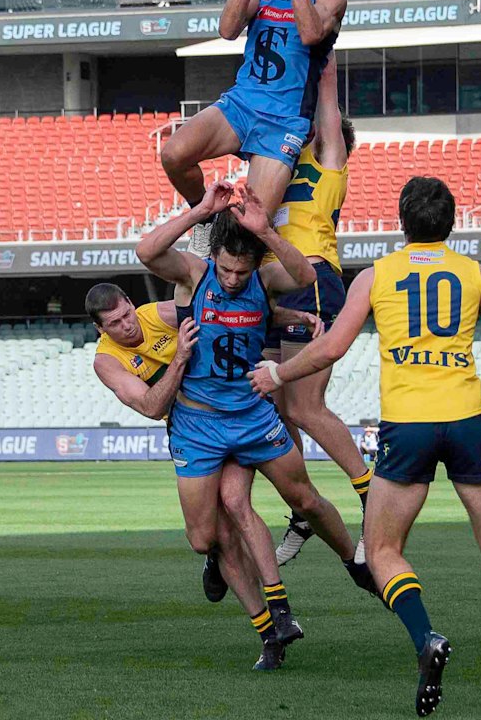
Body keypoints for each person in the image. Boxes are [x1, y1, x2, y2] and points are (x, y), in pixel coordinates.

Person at [250, 176, 481, 716]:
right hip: (468, 419)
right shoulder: (474, 273)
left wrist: (280, 373)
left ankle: (427, 640)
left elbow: (330, 348)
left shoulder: (376, 277)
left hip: (408, 426)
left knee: (385, 551)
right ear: (451, 222)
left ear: (401, 221)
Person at [135, 181, 378, 659]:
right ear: (216, 259)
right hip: (199, 424)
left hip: (250, 415)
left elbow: (306, 274)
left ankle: (355, 563)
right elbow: (147, 250)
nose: (231, 279)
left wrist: (265, 231)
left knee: (303, 497)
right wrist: (202, 209)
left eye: (240, 271)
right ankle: (222, 565)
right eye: (226, 268)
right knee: (205, 535)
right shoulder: (194, 273)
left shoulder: (262, 281)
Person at [88, 282, 323, 672]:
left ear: (132, 303)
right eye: (114, 323)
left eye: (127, 313)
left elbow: (237, 311)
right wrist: (179, 358)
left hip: (229, 415)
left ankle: (276, 624)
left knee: (236, 504)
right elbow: (150, 406)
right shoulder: (106, 361)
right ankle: (221, 566)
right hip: (187, 431)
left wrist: (297, 316)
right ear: (101, 329)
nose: (127, 325)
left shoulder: (162, 314)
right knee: (205, 539)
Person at [160, 0, 347, 255]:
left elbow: (309, 33)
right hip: (242, 105)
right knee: (174, 154)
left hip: (284, 122)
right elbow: (227, 29)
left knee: (247, 232)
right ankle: (202, 219)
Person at [262, 51, 372, 566]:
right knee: (283, 408)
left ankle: (372, 496)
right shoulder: (279, 165)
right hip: (273, 290)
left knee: (304, 406)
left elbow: (326, 102)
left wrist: (318, 53)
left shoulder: (329, 167)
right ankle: (303, 512)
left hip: (312, 276)